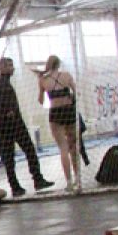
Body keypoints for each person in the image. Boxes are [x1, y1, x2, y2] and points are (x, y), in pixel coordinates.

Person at [0, 57, 55, 197]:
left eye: (12, 65)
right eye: (9, 65)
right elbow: (5, 107)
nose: (12, 68)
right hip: (11, 125)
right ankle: (27, 182)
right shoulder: (1, 84)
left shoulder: (2, 82)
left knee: (16, 154)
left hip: (9, 124)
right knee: (19, 153)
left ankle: (30, 181)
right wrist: (10, 115)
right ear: (2, 67)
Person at [36, 55, 79, 191]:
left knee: (63, 148)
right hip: (69, 110)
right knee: (73, 146)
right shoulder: (66, 75)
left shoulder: (44, 80)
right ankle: (78, 178)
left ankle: (69, 182)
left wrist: (41, 85)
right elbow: (76, 93)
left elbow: (41, 101)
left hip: (55, 113)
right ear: (59, 64)